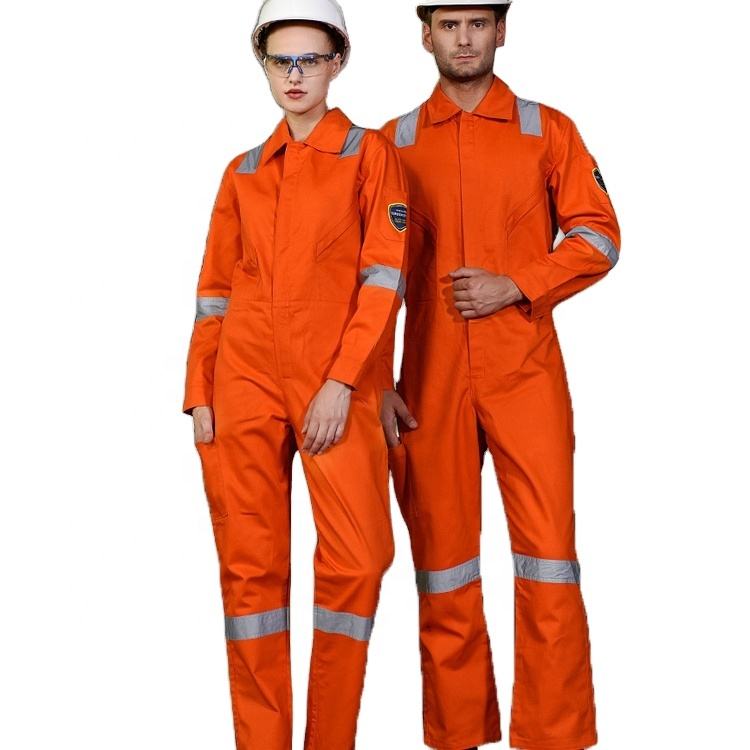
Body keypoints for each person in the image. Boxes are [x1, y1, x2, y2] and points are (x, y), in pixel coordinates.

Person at [378, 3, 620, 749]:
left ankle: (554, 735)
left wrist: (516, 283)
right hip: (426, 378)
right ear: (425, 34)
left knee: (548, 559)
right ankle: (458, 734)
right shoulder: (391, 143)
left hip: (525, 372)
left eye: (478, 22)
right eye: (449, 24)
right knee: (442, 565)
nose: (464, 38)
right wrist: (373, 380)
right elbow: (363, 274)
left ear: (501, 31)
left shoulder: (547, 130)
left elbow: (599, 235)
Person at [182, 1, 408, 747]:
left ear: (339, 62)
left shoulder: (370, 155)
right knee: (249, 573)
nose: (296, 74)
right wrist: (199, 390)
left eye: (311, 58)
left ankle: (328, 739)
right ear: (264, 65)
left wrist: (343, 382)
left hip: (333, 380)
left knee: (360, 557)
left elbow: (384, 279)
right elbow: (214, 293)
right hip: (241, 380)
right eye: (282, 60)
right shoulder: (243, 171)